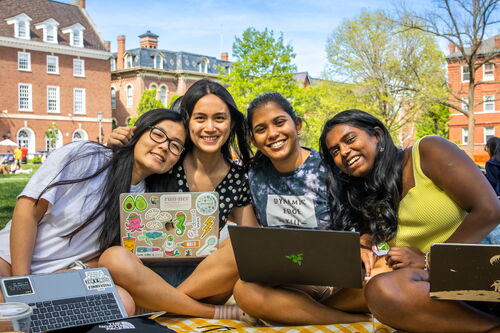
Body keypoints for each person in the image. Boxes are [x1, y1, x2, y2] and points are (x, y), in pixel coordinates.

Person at [319, 109, 500, 333]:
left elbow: (490, 210)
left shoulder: (428, 151)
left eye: (350, 139)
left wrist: (431, 260)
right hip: (432, 283)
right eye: (335, 151)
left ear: (377, 135)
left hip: (483, 265)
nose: (344, 152)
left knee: (382, 289)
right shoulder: (367, 193)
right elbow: (384, 245)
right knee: (359, 293)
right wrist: (367, 248)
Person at [0, 108, 188, 315]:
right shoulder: (87, 156)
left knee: (123, 303)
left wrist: (76, 271)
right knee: (11, 309)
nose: (164, 147)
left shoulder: (146, 204)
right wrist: (22, 287)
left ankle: (38, 316)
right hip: (11, 263)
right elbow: (27, 211)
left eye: (175, 146)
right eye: (158, 134)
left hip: (61, 278)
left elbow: (110, 256)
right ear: (136, 132)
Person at [99, 79, 259, 320]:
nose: (210, 127)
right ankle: (196, 310)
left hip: (205, 283)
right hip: (146, 276)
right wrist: (119, 146)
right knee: (113, 258)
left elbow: (252, 239)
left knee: (244, 245)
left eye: (219, 118)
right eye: (200, 118)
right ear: (188, 122)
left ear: (232, 122)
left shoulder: (237, 178)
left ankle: (163, 306)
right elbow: (129, 172)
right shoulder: (166, 159)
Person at [232, 93, 369, 325]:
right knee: (243, 290)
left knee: (383, 283)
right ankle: (342, 319)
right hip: (288, 278)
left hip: (340, 278)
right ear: (253, 139)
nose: (273, 134)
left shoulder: (329, 168)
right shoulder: (253, 173)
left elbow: (365, 216)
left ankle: (299, 310)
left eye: (279, 122)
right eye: (261, 129)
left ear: (296, 125)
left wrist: (364, 245)